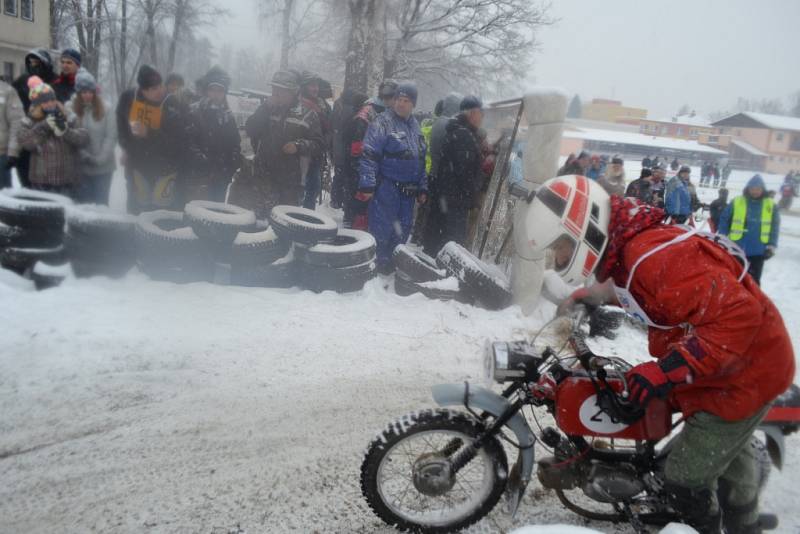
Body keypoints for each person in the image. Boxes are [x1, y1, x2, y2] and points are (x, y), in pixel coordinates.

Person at [531, 175, 794, 534]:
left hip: (745, 373)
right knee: (727, 458)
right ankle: (744, 523)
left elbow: (739, 316)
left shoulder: (650, 256)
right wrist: (593, 295)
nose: (559, 257)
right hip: (726, 364)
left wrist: (665, 370)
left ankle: (703, 525)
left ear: (585, 229)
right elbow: (650, 290)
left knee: (684, 479)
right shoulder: (629, 246)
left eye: (561, 246)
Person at [358, 82, 427, 274]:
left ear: (413, 104)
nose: (400, 104)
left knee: (403, 229)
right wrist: (367, 184)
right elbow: (369, 154)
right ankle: (376, 267)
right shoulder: (382, 122)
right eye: (398, 99)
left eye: (406, 101)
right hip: (386, 188)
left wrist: (423, 187)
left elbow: (421, 159)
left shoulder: (416, 126)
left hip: (409, 192)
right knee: (381, 229)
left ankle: (393, 265)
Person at [238, 70, 323, 218]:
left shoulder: (308, 114)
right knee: (259, 222)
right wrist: (264, 108)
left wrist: (298, 145)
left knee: (284, 224)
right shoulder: (267, 109)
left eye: (280, 91)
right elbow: (251, 129)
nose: (275, 94)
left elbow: (318, 144)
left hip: (292, 182)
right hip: (263, 177)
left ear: (293, 92)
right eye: (274, 89)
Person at [116, 65, 188, 214]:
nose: (159, 91)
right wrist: (125, 148)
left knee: (160, 212)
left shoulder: (171, 104)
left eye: (160, 85)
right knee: (137, 209)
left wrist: (149, 133)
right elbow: (121, 125)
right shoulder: (128, 98)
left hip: (164, 167)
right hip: (136, 164)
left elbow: (177, 143)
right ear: (142, 90)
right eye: (152, 89)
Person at [423, 95, 485, 255]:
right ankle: (441, 274)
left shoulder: (456, 129)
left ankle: (430, 264)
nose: (482, 117)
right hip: (455, 201)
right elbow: (465, 172)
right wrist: (473, 195)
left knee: (437, 236)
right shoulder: (464, 135)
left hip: (446, 197)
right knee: (451, 245)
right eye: (480, 113)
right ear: (472, 113)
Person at [17, 76, 88, 197]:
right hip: (42, 180)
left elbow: (84, 138)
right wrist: (43, 126)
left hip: (66, 179)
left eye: (51, 99)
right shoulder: (29, 119)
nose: (50, 103)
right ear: (37, 104)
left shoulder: (68, 114)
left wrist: (66, 131)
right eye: (44, 101)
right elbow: (26, 143)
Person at [344, 80, 397, 229]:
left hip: (380, 173)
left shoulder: (389, 113)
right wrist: (362, 174)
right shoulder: (368, 113)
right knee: (359, 214)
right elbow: (357, 147)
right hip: (364, 172)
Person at [185, 66, 241, 203]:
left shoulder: (228, 116)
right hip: (197, 178)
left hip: (221, 178)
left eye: (220, 90)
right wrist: (201, 161)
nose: (216, 94)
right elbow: (187, 142)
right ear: (206, 90)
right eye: (212, 90)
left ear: (225, 92)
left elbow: (235, 144)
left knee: (216, 215)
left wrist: (231, 165)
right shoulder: (194, 112)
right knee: (196, 214)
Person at [718, 174, 780, 285]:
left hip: (758, 251)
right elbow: (724, 219)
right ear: (748, 189)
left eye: (758, 189)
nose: (755, 191)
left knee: (754, 282)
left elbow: (774, 226)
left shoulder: (770, 205)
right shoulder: (737, 201)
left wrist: (771, 246)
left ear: (763, 189)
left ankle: (752, 301)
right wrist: (723, 237)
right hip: (736, 248)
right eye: (752, 189)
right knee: (734, 279)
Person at [69, 70, 117, 204]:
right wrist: (82, 155)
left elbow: (111, 137)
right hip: (82, 168)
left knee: (101, 205)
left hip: (103, 168)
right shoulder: (71, 110)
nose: (87, 95)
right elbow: (70, 136)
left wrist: (100, 159)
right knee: (85, 206)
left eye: (90, 92)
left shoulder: (106, 109)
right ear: (78, 93)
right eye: (84, 92)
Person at [12, 48, 56, 187]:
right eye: (31, 63)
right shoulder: (21, 82)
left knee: (47, 184)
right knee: (26, 181)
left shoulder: (55, 82)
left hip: (48, 142)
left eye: (37, 63)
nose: (34, 66)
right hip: (25, 138)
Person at [299, 71, 332, 210]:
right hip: (302, 153)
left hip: (317, 151)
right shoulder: (298, 103)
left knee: (314, 188)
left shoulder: (323, 104)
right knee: (299, 189)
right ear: (304, 86)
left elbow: (329, 126)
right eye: (312, 85)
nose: (315, 88)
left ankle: (307, 217)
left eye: (316, 85)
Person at [0, 78, 23, 189]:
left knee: (3, 198)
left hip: (1, 155)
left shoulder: (7, 91)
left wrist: (13, 151)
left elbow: (17, 122)